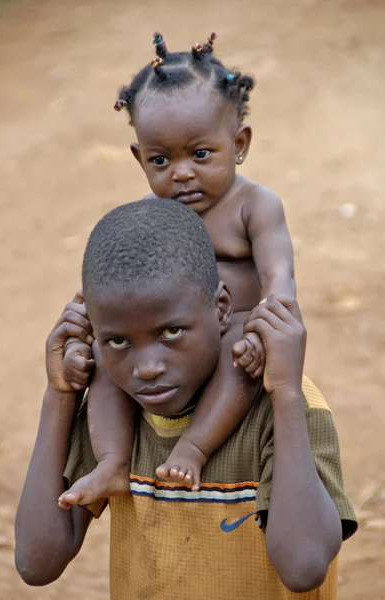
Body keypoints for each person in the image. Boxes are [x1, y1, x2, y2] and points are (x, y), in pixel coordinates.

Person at [15, 199, 356, 599]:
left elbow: (303, 567)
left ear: (222, 308)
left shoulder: (284, 408)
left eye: (172, 332)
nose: (147, 368)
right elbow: (36, 563)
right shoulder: (116, 417)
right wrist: (59, 396)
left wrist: (285, 394)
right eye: (118, 341)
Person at [60, 32, 299, 505]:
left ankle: (193, 449)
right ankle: (111, 463)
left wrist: (264, 330)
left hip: (237, 335)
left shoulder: (255, 205)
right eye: (161, 160)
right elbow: (113, 293)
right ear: (139, 158)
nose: (182, 173)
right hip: (167, 342)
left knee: (237, 360)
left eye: (201, 154)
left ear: (240, 143)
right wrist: (80, 341)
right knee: (111, 364)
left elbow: (279, 275)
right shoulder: (149, 214)